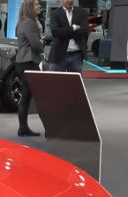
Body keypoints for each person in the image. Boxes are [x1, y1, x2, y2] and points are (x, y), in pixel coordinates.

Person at [15, 0, 44, 136]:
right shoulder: (29, 23)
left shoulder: (22, 22)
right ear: (30, 8)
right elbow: (36, 46)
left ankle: (23, 128)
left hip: (23, 62)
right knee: (37, 96)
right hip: (28, 62)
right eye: (37, 4)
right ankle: (24, 128)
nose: (39, 6)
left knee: (26, 96)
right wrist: (42, 42)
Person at [48, 0, 88, 72]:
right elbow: (55, 32)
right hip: (59, 54)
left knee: (75, 81)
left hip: (77, 55)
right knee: (56, 81)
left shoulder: (82, 12)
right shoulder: (55, 13)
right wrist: (73, 27)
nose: (69, 1)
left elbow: (84, 31)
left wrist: (63, 32)